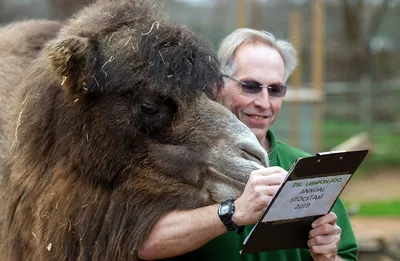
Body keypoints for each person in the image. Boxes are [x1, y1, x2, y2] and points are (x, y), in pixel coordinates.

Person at [138, 28, 358, 261]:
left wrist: (329, 256)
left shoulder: (308, 171)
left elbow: (345, 256)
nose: (264, 103)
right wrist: (234, 212)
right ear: (217, 86)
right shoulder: (176, 161)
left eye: (275, 90)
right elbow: (141, 244)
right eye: (250, 86)